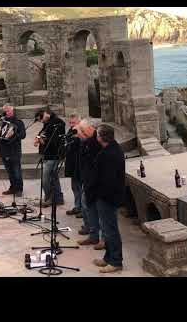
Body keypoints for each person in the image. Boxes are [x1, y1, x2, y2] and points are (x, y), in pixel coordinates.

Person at [87, 124, 125, 273]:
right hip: (106, 197)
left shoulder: (110, 154)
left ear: (101, 137)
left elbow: (108, 180)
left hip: (108, 198)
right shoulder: (110, 149)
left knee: (110, 230)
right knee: (108, 229)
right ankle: (108, 257)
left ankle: (115, 262)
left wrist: (98, 194)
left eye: (97, 134)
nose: (95, 137)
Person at [76, 118, 105, 251]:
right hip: (88, 181)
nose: (81, 132)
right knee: (88, 207)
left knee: (101, 212)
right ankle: (93, 235)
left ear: (90, 128)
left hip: (97, 183)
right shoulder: (87, 141)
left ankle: (103, 239)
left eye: (82, 130)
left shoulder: (97, 141)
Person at [0, 104, 26, 196]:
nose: (7, 112)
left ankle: (19, 189)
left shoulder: (18, 122)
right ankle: (12, 187)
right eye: (5, 111)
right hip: (3, 149)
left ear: (12, 111)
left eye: (8, 110)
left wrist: (13, 134)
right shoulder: (1, 121)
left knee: (16, 171)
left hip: (14, 150)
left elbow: (23, 135)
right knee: (9, 172)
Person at [34, 107, 65, 207]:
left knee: (46, 178)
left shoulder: (57, 123)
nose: (41, 121)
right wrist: (38, 138)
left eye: (41, 119)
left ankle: (49, 198)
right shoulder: (47, 123)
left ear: (45, 114)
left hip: (53, 155)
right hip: (47, 155)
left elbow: (55, 140)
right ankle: (58, 198)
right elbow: (42, 134)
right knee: (54, 177)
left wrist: (43, 141)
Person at [64, 113, 83, 217]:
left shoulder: (82, 132)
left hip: (79, 163)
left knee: (80, 187)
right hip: (72, 162)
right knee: (74, 186)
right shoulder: (71, 131)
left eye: (73, 123)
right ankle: (77, 206)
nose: (71, 125)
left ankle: (83, 209)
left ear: (79, 122)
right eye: (70, 123)